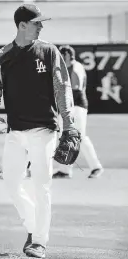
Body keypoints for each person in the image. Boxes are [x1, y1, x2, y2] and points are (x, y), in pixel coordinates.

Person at [0, 4, 77, 258]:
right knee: (12, 182)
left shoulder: (49, 51)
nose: (41, 26)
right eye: (37, 22)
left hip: (45, 129)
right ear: (22, 25)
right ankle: (32, 226)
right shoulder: (2, 56)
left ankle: (39, 241)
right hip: (15, 131)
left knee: (42, 185)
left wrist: (69, 124)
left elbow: (62, 88)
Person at [53, 45, 104, 179]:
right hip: (71, 105)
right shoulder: (67, 67)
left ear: (68, 56)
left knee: (80, 137)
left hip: (76, 105)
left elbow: (76, 88)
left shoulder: (76, 67)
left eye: (61, 55)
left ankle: (96, 167)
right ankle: (64, 170)